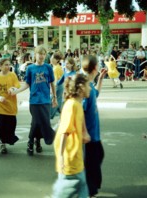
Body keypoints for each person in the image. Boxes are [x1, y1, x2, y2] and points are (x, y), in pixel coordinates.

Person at [11, 45, 57, 156]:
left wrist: (54, 97)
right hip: (34, 101)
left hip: (46, 100)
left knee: (42, 122)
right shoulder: (30, 68)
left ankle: (37, 142)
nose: (41, 56)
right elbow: (27, 84)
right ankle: (31, 142)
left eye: (43, 54)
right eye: (39, 53)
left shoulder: (48, 67)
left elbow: (52, 83)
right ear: (35, 55)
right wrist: (17, 91)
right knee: (36, 122)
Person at [52, 73, 91, 198]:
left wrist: (85, 132)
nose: (90, 88)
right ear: (81, 88)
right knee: (65, 191)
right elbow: (64, 131)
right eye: (88, 85)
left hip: (75, 155)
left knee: (82, 186)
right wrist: (62, 156)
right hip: (69, 157)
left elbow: (80, 120)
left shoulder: (77, 104)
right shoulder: (72, 105)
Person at [81, 55, 107, 197]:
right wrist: (85, 132)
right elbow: (81, 111)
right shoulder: (85, 86)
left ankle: (92, 187)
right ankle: (90, 191)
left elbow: (96, 94)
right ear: (95, 67)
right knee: (92, 163)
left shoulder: (90, 85)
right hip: (89, 135)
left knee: (98, 156)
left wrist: (101, 79)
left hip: (93, 133)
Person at [0, 58, 21, 155]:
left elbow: (17, 86)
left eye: (9, 64)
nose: (8, 66)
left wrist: (13, 88)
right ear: (0, 66)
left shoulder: (12, 75)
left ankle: (3, 143)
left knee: (9, 127)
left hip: (11, 106)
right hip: (0, 106)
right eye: (6, 65)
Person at [50, 52, 64, 119]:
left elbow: (56, 80)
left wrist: (53, 89)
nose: (51, 59)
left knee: (54, 100)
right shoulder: (56, 67)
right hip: (59, 85)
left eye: (52, 58)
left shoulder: (56, 68)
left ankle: (50, 115)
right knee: (58, 100)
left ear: (56, 60)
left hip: (58, 86)